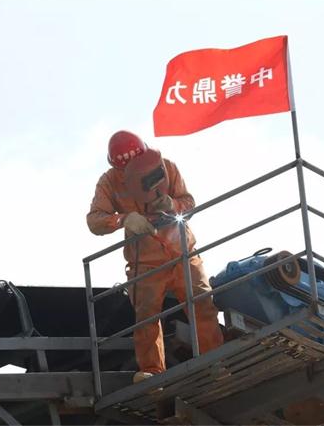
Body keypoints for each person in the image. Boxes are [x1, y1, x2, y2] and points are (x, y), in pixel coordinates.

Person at [86, 130, 224, 383]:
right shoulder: (109, 181)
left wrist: (173, 204)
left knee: (202, 304)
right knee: (146, 318)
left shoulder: (166, 167)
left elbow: (188, 202)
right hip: (145, 262)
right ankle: (152, 371)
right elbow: (95, 220)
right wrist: (124, 219)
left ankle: (214, 361)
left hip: (182, 253)